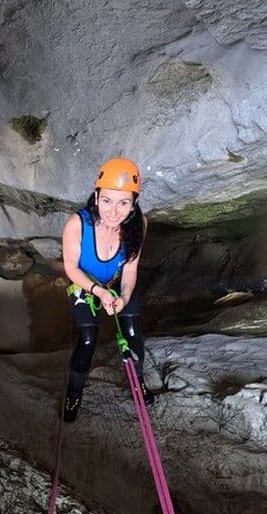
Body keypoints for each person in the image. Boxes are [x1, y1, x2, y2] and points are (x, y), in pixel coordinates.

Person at [61, 157, 154, 423]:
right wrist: (98, 292)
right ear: (96, 196)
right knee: (87, 339)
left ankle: (138, 382)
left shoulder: (138, 224)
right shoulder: (77, 225)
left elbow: (130, 269)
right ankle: (73, 394)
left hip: (116, 281)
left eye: (123, 203)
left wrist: (123, 297)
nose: (113, 211)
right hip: (85, 282)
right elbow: (71, 268)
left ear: (134, 202)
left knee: (132, 333)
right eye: (107, 201)